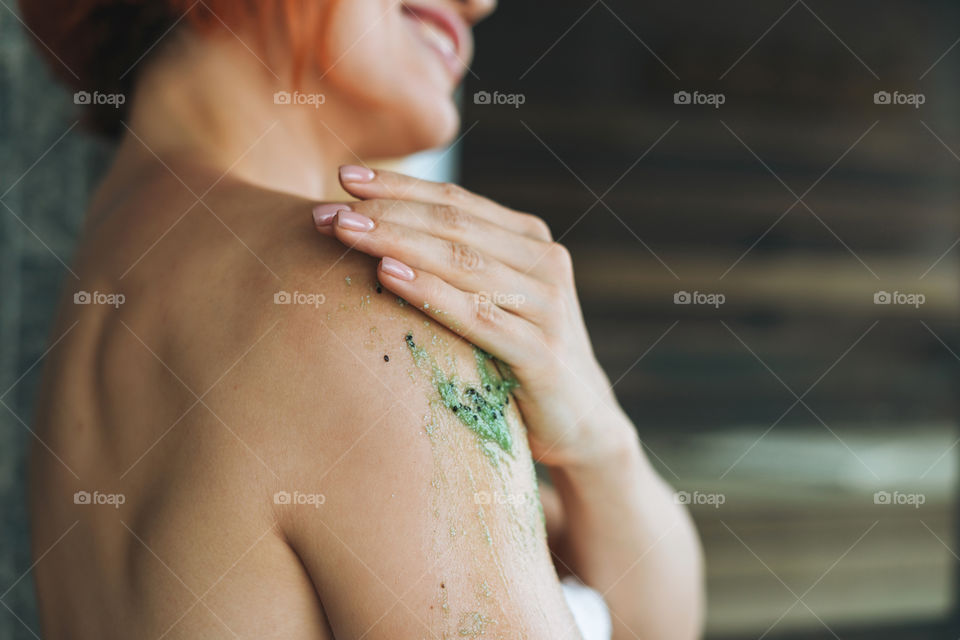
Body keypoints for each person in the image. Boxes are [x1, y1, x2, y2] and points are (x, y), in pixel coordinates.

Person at [21, 1, 704, 638]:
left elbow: (649, 614)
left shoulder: (102, 298)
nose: (480, 2)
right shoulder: (353, 308)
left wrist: (596, 439)